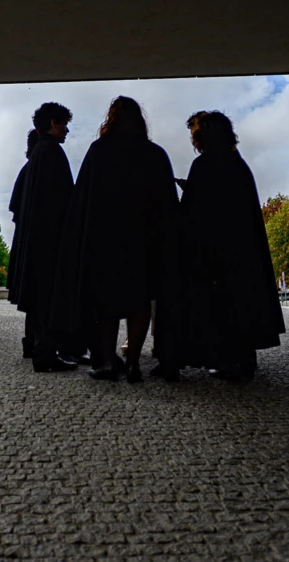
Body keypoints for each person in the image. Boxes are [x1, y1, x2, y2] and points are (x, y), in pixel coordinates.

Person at [52, 96, 179, 383]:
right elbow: (167, 207)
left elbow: (82, 201)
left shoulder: (99, 151)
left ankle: (107, 363)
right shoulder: (155, 154)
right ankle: (133, 363)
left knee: (104, 303)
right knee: (140, 300)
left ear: (111, 119)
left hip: (105, 242)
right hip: (144, 242)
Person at [156, 111, 285, 380]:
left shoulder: (204, 164)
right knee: (240, 301)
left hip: (211, 251)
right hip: (240, 249)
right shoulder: (238, 164)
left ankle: (222, 359)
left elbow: (196, 212)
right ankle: (242, 358)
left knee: (215, 304)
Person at [8, 102, 78, 373]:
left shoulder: (38, 154)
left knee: (39, 297)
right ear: (53, 124)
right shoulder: (52, 152)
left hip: (36, 238)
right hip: (50, 239)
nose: (66, 130)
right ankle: (46, 353)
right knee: (49, 295)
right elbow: (64, 199)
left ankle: (40, 349)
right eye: (63, 124)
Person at [7, 129, 40, 356]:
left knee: (33, 300)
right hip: (36, 243)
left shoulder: (26, 171)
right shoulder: (36, 169)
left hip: (25, 241)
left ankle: (31, 342)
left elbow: (15, 209)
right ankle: (37, 344)